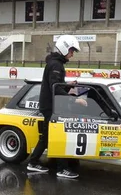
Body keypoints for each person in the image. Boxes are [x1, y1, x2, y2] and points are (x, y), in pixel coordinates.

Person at [27, 35, 86, 179]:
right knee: (58, 136)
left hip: (50, 106)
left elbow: (57, 86)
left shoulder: (55, 64)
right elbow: (55, 89)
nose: (72, 54)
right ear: (65, 48)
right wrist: (75, 100)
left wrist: (68, 85)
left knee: (47, 137)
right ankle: (62, 169)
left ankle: (33, 162)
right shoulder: (56, 65)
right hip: (52, 107)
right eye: (71, 51)